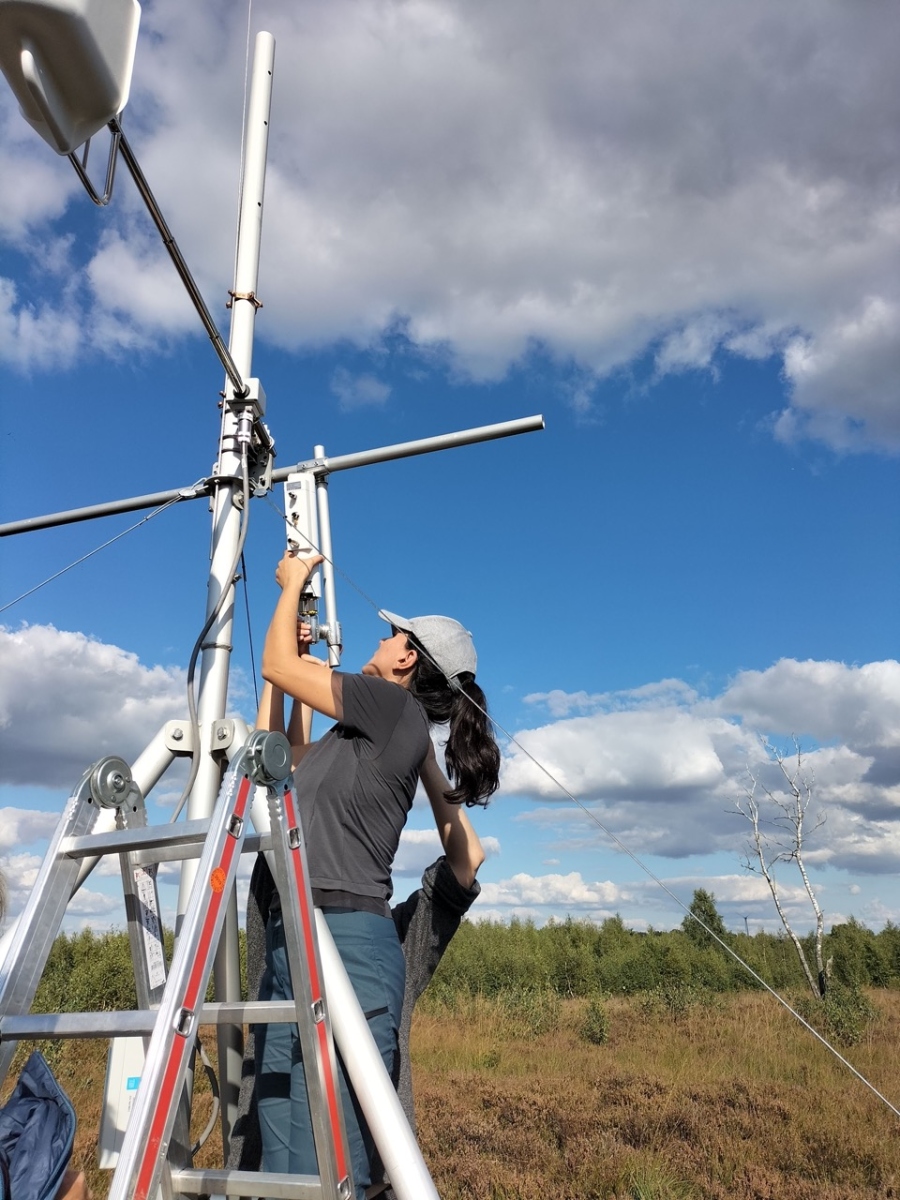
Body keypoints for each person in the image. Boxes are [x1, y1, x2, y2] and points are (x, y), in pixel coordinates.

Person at [254, 550, 500, 1198]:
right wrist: (287, 656)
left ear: (408, 658)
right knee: (288, 1147)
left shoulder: (390, 710)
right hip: (304, 934)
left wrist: (294, 585)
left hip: (341, 933)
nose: (382, 639)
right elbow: (274, 763)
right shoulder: (367, 733)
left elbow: (277, 661)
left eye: (393, 634)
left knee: (334, 1155)